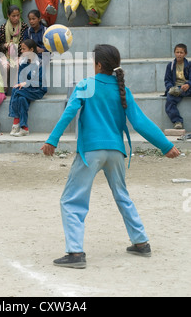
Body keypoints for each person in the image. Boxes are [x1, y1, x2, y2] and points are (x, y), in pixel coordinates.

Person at [41, 44, 180, 269]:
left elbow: (69, 112)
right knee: (122, 195)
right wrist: (165, 146)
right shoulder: (121, 88)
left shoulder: (86, 85)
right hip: (116, 151)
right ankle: (141, 242)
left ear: (97, 64)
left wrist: (52, 140)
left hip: (91, 152)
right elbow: (140, 122)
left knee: (71, 200)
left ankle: (75, 253)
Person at [9, 39, 47, 137]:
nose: (21, 51)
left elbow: (40, 82)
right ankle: (24, 128)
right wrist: (22, 84)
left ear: (31, 49)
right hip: (26, 90)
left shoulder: (40, 63)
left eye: (24, 49)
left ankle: (16, 121)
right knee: (21, 98)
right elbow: (19, 81)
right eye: (21, 49)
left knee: (15, 91)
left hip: (38, 90)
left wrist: (26, 83)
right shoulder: (23, 63)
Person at [0, 6, 28, 87]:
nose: (16, 18)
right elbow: (0, 45)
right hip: (6, 55)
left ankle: (16, 87)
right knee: (4, 66)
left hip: (20, 54)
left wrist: (15, 47)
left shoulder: (24, 27)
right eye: (13, 16)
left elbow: (26, 43)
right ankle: (4, 88)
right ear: (8, 16)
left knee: (19, 65)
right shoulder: (3, 27)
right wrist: (6, 46)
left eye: (18, 15)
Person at [164, 44, 191, 130]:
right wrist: (170, 88)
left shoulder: (189, 65)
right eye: (177, 52)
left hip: (188, 87)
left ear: (185, 54)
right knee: (169, 101)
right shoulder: (170, 65)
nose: (179, 54)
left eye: (181, 52)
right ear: (174, 53)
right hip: (177, 89)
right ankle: (177, 121)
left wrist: (188, 84)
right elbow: (167, 80)